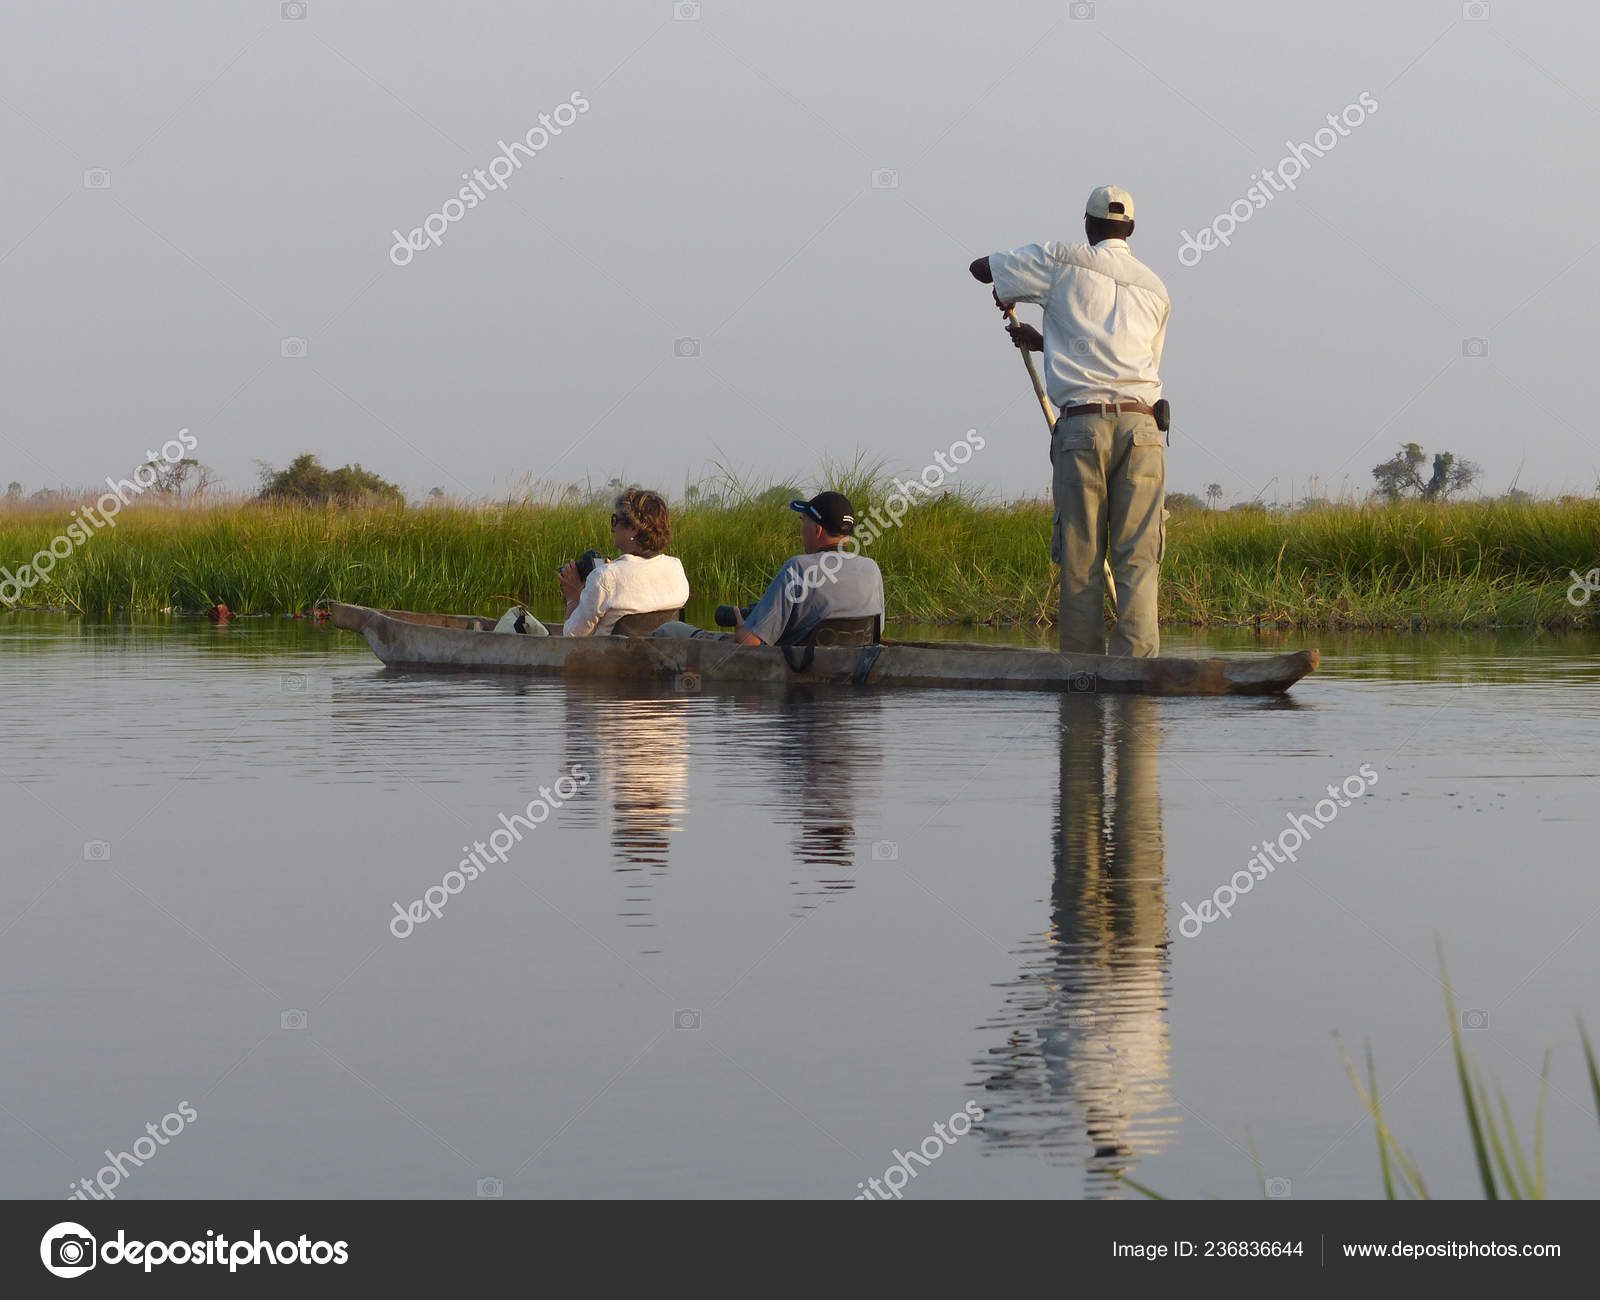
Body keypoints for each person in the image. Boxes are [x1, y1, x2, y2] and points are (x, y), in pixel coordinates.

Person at [970, 185, 1172, 658]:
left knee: (1082, 558)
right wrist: (1050, 344)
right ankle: (1138, 670)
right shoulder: (1156, 288)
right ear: (1133, 230)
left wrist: (1006, 279)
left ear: (1087, 224)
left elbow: (982, 269)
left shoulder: (1063, 260)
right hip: (1144, 429)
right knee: (1138, 558)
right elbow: (1123, 358)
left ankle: (1082, 672)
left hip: (1083, 430)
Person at [654, 491, 883, 646]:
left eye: (803, 521)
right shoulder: (871, 568)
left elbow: (750, 642)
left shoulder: (799, 567)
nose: (801, 528)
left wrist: (742, 624)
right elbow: (876, 632)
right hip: (850, 664)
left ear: (818, 531)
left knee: (671, 629)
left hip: (800, 666)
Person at [552, 488, 689, 636]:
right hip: (661, 656)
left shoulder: (605, 578)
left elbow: (572, 637)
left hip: (609, 658)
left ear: (633, 528)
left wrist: (574, 597)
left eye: (615, 521)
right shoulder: (676, 567)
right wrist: (614, 571)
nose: (612, 529)